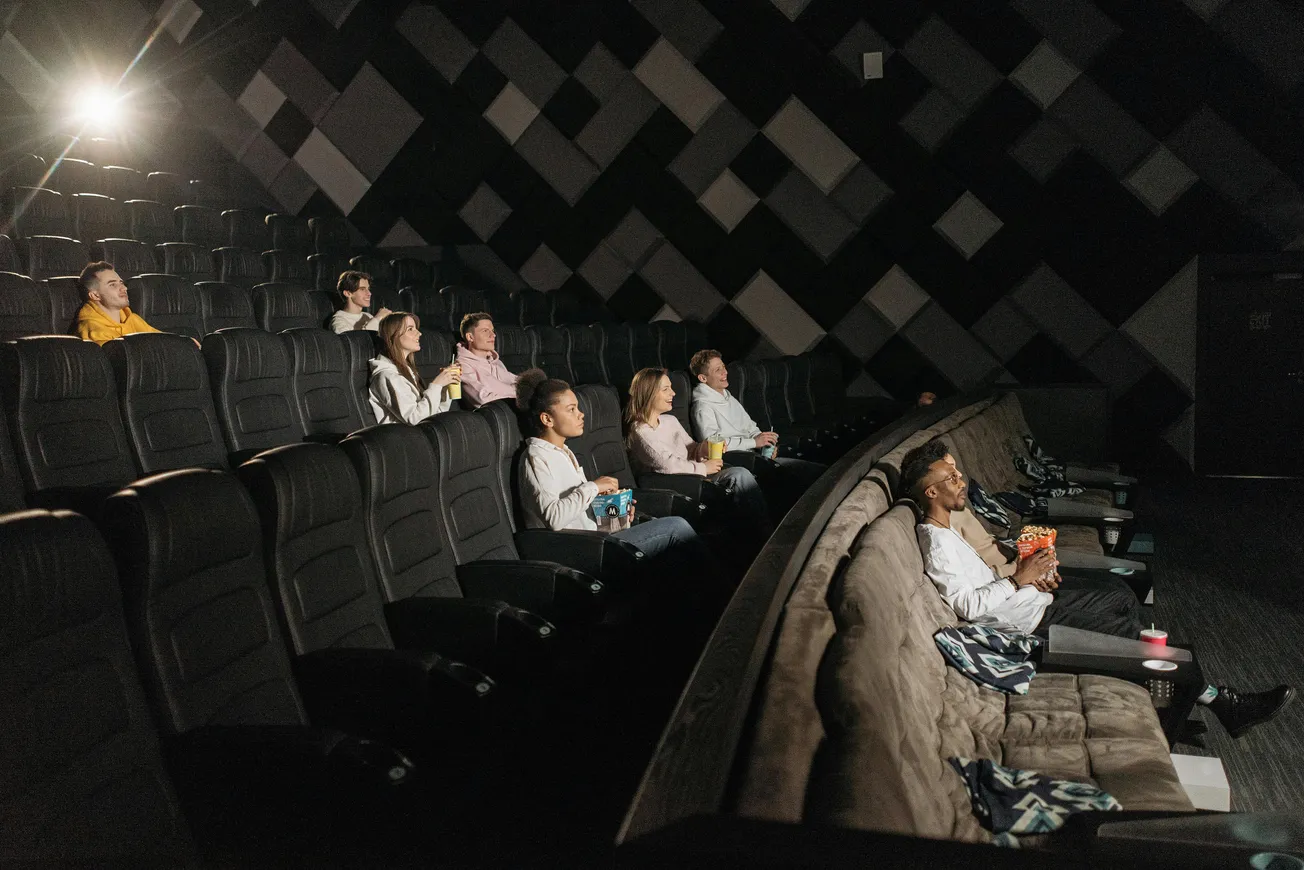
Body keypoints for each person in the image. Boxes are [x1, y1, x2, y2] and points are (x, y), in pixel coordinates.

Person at [901, 443, 1294, 738]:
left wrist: (1031, 574)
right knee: (1132, 636)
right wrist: (1018, 578)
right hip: (1032, 623)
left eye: (958, 473)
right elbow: (968, 606)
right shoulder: (936, 542)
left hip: (1032, 599)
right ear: (930, 492)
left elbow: (986, 579)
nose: (961, 481)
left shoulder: (948, 528)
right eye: (951, 478)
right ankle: (1223, 702)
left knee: (1119, 595)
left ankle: (1171, 699)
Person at [515, 368, 731, 589]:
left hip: (598, 539)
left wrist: (616, 514)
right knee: (677, 527)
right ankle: (723, 590)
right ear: (547, 419)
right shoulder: (536, 457)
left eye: (578, 408)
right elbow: (554, 518)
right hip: (583, 550)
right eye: (571, 409)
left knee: (671, 550)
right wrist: (593, 487)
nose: (581, 414)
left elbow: (581, 514)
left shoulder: (563, 452)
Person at [625, 367, 771, 536]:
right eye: (666, 389)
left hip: (695, 475)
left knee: (740, 474)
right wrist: (703, 468)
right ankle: (764, 533)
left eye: (671, 388)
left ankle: (760, 532)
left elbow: (692, 448)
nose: (673, 393)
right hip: (675, 484)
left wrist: (705, 448)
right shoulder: (640, 431)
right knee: (738, 476)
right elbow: (668, 465)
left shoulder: (670, 420)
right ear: (648, 393)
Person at [689, 349, 825, 508]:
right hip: (738, 461)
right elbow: (712, 445)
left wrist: (765, 443)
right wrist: (754, 443)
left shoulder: (727, 396)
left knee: (819, 473)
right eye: (718, 370)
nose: (725, 372)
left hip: (755, 455)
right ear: (703, 378)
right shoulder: (702, 407)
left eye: (724, 367)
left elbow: (750, 426)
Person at [368, 312, 460, 425]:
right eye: (410, 329)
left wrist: (445, 386)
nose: (419, 333)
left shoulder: (406, 371)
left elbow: (434, 414)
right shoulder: (387, 376)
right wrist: (437, 384)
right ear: (393, 335)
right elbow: (415, 419)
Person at [75, 262, 161, 345]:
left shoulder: (132, 319)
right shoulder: (93, 331)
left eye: (121, 282)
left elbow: (163, 343)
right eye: (112, 285)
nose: (124, 288)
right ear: (95, 295)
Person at [456, 312, 518, 408]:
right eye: (485, 331)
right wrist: (519, 394)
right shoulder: (463, 366)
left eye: (492, 330)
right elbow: (483, 399)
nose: (493, 335)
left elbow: (517, 381)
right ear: (470, 337)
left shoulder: (496, 362)